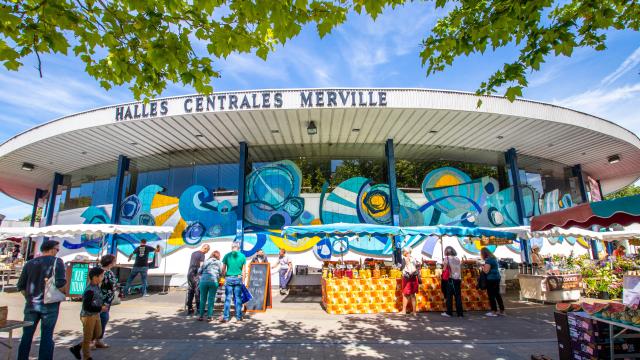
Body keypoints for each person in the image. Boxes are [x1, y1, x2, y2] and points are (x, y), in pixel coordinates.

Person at [17, 240, 66, 360]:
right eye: (57, 249)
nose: (57, 252)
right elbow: (60, 283)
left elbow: (21, 285)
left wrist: (29, 297)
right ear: (51, 249)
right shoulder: (57, 262)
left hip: (31, 304)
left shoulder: (29, 263)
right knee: (47, 335)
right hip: (50, 305)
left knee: (26, 336)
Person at [69, 267, 108, 360]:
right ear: (95, 277)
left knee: (97, 334)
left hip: (96, 314)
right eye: (101, 276)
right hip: (88, 316)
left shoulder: (97, 286)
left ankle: (77, 347)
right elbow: (86, 306)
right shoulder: (89, 290)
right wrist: (100, 308)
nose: (103, 277)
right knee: (88, 337)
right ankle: (86, 357)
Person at [221, 242, 247, 322]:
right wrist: (243, 280)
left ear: (231, 247)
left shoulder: (227, 255)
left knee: (228, 298)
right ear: (238, 247)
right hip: (238, 278)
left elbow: (223, 269)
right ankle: (239, 317)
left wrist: (223, 277)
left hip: (228, 278)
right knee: (238, 298)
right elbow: (244, 270)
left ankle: (226, 318)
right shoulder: (242, 256)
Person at [96, 254, 117, 349]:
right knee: (103, 319)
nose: (115, 263)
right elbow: (110, 286)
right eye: (114, 261)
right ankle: (97, 340)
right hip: (103, 300)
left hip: (102, 299)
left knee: (99, 319)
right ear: (110, 262)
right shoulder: (105, 273)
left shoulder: (102, 271)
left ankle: (95, 340)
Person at [198, 250, 223, 322]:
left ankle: (201, 316)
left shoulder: (206, 261)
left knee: (202, 299)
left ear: (212, 255)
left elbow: (199, 270)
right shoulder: (219, 263)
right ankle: (209, 316)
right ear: (218, 256)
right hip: (213, 281)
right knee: (211, 299)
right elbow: (222, 272)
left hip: (204, 281)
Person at [186, 244, 210, 315]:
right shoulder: (202, 254)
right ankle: (199, 309)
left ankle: (189, 309)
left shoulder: (194, 253)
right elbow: (201, 265)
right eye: (207, 251)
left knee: (190, 291)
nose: (207, 252)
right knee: (197, 292)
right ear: (205, 249)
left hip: (189, 274)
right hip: (196, 275)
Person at [481, 247, 504, 317]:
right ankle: (502, 310)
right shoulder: (493, 258)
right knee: (497, 294)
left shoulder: (488, 260)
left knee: (491, 295)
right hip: (497, 278)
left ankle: (494, 311)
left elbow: (486, 271)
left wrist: (482, 267)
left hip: (491, 279)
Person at [442, 246, 463, 318]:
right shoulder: (457, 259)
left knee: (449, 296)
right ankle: (460, 313)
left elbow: (444, 269)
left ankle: (449, 312)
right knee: (458, 296)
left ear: (446, 252)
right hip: (458, 278)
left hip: (451, 279)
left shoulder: (446, 258)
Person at [401, 247, 419, 315]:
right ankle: (414, 312)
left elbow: (408, 268)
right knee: (413, 295)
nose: (403, 252)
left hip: (408, 277)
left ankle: (404, 311)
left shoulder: (406, 258)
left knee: (405, 294)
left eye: (404, 251)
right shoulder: (414, 258)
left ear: (406, 252)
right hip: (414, 277)